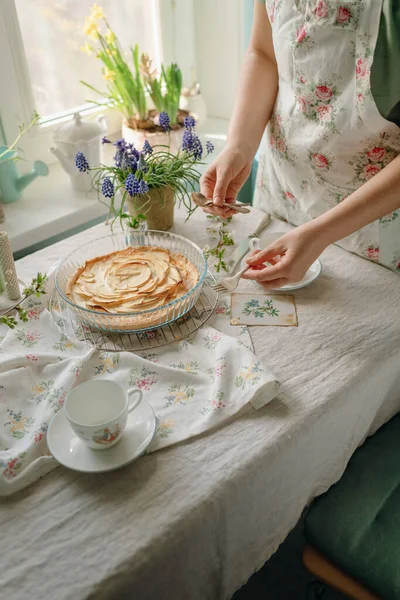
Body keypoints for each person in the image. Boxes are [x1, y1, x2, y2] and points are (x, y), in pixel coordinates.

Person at [200, 0, 400, 287]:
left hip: (370, 225)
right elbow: (263, 53)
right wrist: (239, 147)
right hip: (281, 196)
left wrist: (320, 234)